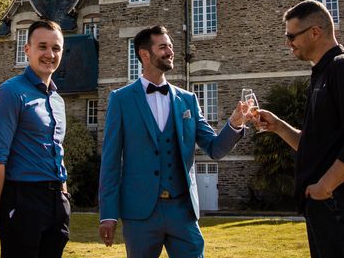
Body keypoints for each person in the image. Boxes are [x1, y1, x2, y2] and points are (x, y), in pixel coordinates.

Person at [98, 25, 248, 258]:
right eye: (163, 47)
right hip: (140, 214)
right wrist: (108, 214)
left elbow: (215, 148)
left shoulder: (187, 100)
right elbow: (110, 161)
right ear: (145, 54)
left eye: (170, 46)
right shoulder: (121, 99)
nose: (170, 51)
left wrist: (235, 123)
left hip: (182, 212)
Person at [257, 0, 344, 258]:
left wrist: (325, 186)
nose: (288, 43)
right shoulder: (321, 74)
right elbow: (314, 145)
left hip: (339, 201)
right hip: (324, 203)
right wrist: (278, 126)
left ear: (315, 31)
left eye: (291, 36)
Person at [0, 20, 70, 258]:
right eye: (42, 46)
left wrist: (64, 195)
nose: (50, 54)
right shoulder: (10, 93)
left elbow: (58, 151)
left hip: (57, 201)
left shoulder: (58, 100)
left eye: (56, 48)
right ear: (27, 49)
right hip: (23, 200)